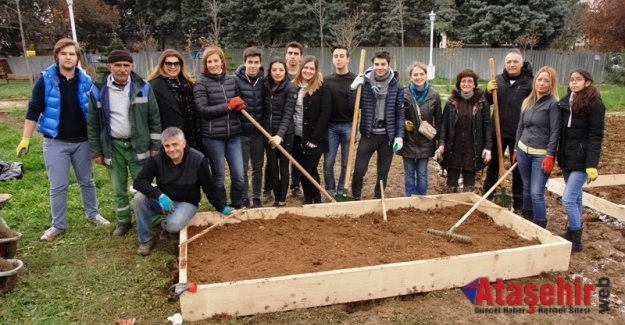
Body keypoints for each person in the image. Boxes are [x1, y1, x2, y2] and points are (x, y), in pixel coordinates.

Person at [15, 38, 110, 241]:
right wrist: (25, 138)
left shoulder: (85, 80)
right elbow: (33, 109)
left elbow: (97, 110)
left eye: (72, 54)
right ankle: (58, 224)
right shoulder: (46, 79)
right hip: (55, 142)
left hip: (82, 142)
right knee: (58, 185)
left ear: (77, 57)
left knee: (87, 181)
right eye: (64, 53)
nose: (68, 57)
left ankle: (93, 214)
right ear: (57, 56)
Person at [87, 47, 162, 237]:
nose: (122, 69)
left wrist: (155, 146)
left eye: (126, 65)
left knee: (144, 185)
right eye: (118, 65)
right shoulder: (98, 89)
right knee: (118, 187)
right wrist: (96, 151)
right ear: (110, 66)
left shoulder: (143, 87)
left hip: (139, 146)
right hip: (113, 146)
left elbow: (154, 118)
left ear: (131, 66)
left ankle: (152, 220)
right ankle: (123, 221)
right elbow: (93, 123)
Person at [132, 127, 233, 256]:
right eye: (167, 146)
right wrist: (159, 195)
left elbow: (209, 187)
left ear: (183, 143)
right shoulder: (157, 159)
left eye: (175, 144)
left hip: (187, 202)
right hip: (165, 200)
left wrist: (220, 206)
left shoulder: (197, 159)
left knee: (173, 226)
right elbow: (139, 182)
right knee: (139, 198)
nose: (171, 149)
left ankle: (165, 226)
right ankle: (146, 240)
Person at [557, 69, 605, 252]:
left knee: (568, 199)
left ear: (588, 83)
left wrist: (592, 164)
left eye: (578, 80)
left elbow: (596, 136)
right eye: (571, 79)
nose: (573, 82)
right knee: (576, 197)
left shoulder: (595, 105)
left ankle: (576, 239)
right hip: (568, 157)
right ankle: (571, 231)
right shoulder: (566, 102)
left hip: (582, 159)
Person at [193, 45, 246, 209]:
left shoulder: (232, 81)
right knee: (219, 176)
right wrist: (228, 106)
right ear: (205, 64)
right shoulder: (201, 84)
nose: (213, 64)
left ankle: (237, 204)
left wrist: (240, 106)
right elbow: (202, 110)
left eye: (216, 60)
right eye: (209, 62)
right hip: (213, 138)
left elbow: (238, 102)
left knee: (239, 175)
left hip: (234, 136)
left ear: (222, 62)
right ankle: (221, 206)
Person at [349, 51, 404, 200]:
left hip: (387, 136)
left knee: (383, 171)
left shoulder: (397, 86)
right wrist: (353, 89)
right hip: (368, 134)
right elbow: (353, 106)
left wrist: (399, 136)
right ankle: (355, 197)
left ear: (388, 64)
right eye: (377, 64)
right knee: (359, 169)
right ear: (373, 64)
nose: (380, 67)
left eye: (383, 64)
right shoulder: (365, 83)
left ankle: (378, 197)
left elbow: (400, 113)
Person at [483, 49, 533, 213]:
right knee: (493, 167)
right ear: (505, 64)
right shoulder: (497, 80)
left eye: (515, 62)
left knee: (518, 169)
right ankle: (487, 196)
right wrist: (487, 91)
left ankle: (518, 203)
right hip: (497, 131)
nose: (512, 65)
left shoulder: (529, 82)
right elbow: (487, 102)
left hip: (519, 134)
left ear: (521, 63)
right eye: (509, 62)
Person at [514, 66, 561, 228]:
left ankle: (540, 223)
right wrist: (515, 148)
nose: (541, 83)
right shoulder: (528, 101)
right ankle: (528, 220)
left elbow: (555, 132)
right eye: (539, 80)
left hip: (540, 154)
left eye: (546, 81)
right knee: (526, 188)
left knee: (536, 192)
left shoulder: (554, 104)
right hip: (523, 151)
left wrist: (549, 155)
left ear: (551, 84)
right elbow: (520, 126)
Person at [438, 68, 492, 193]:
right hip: (453, 148)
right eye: (463, 81)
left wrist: (488, 147)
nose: (466, 84)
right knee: (451, 181)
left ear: (474, 84)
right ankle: (450, 206)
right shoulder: (451, 102)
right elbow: (444, 125)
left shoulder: (482, 103)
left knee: (469, 181)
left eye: (469, 81)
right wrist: (441, 144)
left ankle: (468, 204)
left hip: (473, 148)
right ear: (459, 83)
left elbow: (488, 125)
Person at [396, 62, 442, 196]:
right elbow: (397, 114)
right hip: (408, 140)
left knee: (422, 172)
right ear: (410, 77)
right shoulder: (403, 93)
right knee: (409, 172)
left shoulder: (434, 95)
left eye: (421, 74)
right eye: (415, 74)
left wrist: (439, 141)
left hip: (425, 140)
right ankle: (409, 197)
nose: (418, 77)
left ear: (426, 76)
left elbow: (438, 118)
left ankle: (421, 197)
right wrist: (404, 122)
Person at [291, 55, 331, 204]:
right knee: (301, 169)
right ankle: (308, 199)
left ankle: (316, 197)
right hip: (296, 136)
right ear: (301, 69)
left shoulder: (322, 87)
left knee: (310, 168)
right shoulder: (294, 86)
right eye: (305, 68)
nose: (308, 71)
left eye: (311, 68)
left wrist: (315, 138)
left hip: (314, 137)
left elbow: (325, 114)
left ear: (316, 70)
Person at [147, 49, 201, 151]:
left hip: (192, 137)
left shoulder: (188, 84)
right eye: (169, 63)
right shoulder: (155, 86)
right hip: (170, 141)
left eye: (176, 63)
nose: (173, 67)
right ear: (162, 65)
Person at [263, 58, 298, 206]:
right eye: (274, 70)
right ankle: (276, 198)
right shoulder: (265, 86)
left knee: (284, 168)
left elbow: (288, 113)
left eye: (281, 70)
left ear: (285, 71)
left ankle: (282, 200)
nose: (277, 73)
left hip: (285, 135)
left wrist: (280, 135)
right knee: (272, 166)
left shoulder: (290, 88)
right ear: (270, 72)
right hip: (267, 134)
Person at [323, 45, 357, 197]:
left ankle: (341, 191)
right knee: (328, 162)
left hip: (349, 125)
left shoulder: (355, 80)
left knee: (346, 162)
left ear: (348, 58)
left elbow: (360, 104)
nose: (338, 59)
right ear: (332, 59)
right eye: (336, 56)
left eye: (341, 56)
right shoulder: (327, 81)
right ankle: (330, 190)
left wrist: (357, 129)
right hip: (331, 127)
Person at [235, 46, 265, 208]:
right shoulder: (235, 81)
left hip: (259, 133)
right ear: (244, 63)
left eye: (256, 62)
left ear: (260, 64)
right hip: (242, 132)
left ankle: (256, 197)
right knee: (243, 167)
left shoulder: (265, 81)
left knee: (257, 167)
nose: (253, 65)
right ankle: (244, 196)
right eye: (250, 62)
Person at [285, 41, 304, 197]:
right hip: (281, 125)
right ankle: (269, 188)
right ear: (286, 55)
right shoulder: (279, 73)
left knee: (298, 156)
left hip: (298, 125)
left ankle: (295, 186)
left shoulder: (304, 75)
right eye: (290, 53)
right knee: (277, 159)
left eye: (296, 53)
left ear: (300, 57)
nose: (292, 56)